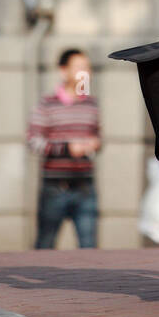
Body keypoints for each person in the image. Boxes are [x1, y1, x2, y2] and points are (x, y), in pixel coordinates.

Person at [27, 48, 101, 249]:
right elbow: (33, 142)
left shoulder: (92, 104)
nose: (85, 73)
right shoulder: (47, 104)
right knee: (45, 245)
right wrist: (68, 148)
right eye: (79, 68)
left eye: (87, 68)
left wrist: (95, 144)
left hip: (85, 186)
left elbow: (98, 137)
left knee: (89, 247)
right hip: (54, 187)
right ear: (64, 71)